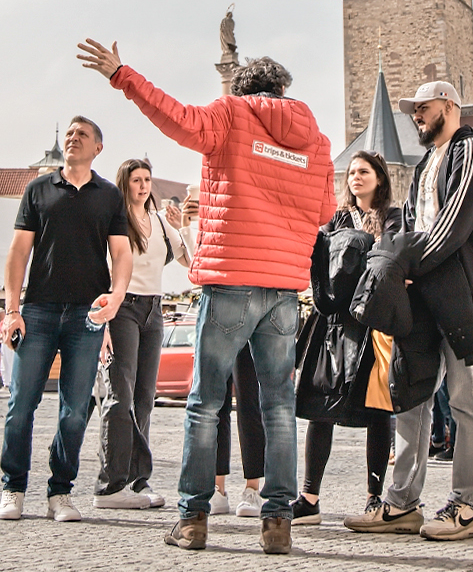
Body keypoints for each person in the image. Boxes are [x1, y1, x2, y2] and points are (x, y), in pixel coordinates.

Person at [83, 42, 333, 555]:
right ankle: (278, 521)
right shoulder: (318, 142)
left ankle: (194, 518)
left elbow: (175, 118)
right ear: (284, 90)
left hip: (231, 277)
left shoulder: (230, 114)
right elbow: (326, 210)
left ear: (242, 89)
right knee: (278, 408)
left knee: (206, 403)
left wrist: (123, 75)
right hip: (284, 289)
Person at [345, 80, 473, 543]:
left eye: (423, 108)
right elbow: (410, 222)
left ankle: (465, 505)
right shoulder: (429, 159)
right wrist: (399, 270)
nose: (415, 115)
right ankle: (402, 503)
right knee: (411, 394)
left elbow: (455, 223)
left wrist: (411, 267)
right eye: (413, 110)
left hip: (463, 293)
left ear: (448, 107)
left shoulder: (470, 151)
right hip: (424, 292)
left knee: (466, 398)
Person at [0, 117, 133, 527]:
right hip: (38, 309)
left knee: (74, 410)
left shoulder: (108, 195)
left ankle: (60, 491)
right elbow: (18, 253)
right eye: (70, 134)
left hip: (86, 315)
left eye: (82, 135)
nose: (73, 139)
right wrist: (12, 308)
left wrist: (117, 296)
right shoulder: (38, 188)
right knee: (21, 405)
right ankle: (13, 487)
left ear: (98, 148)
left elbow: (122, 254)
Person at [296, 152, 400, 526]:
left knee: (377, 411)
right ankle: (309, 498)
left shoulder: (394, 217)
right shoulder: (336, 218)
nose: (356, 177)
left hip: (374, 324)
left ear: (379, 177)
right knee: (320, 407)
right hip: (335, 324)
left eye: (364, 171)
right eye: (352, 172)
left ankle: (375, 498)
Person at [94, 159, 188, 509]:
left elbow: (189, 260)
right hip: (122, 308)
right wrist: (101, 321)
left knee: (145, 397)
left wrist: (184, 226)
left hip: (154, 309)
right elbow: (101, 271)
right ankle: (110, 484)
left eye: (147, 179)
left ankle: (137, 481)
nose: (144, 185)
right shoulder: (115, 220)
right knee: (120, 395)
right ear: (125, 183)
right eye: (136, 180)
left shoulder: (161, 222)